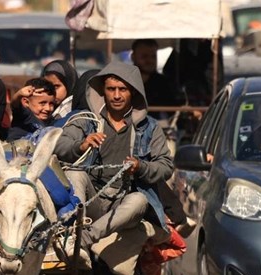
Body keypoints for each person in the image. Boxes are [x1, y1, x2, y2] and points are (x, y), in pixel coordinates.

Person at [53, 61, 173, 259]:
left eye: (122, 89)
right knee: (75, 174)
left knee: (140, 200)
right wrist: (81, 146)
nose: (116, 95)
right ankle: (73, 230)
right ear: (103, 92)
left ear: (133, 92)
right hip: (90, 199)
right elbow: (59, 144)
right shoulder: (86, 120)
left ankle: (83, 239)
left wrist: (140, 167)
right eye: (111, 89)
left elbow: (166, 166)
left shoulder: (149, 128)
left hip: (123, 201)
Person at [131, 39, 178, 119]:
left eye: (153, 56)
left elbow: (173, 109)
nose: (150, 60)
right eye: (144, 56)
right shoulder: (125, 81)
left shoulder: (163, 83)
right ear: (133, 57)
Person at [7, 78, 56, 142]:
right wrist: (19, 94)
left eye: (51, 104)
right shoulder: (25, 115)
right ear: (26, 102)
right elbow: (14, 105)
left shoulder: (52, 121)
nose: (48, 108)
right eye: (42, 103)